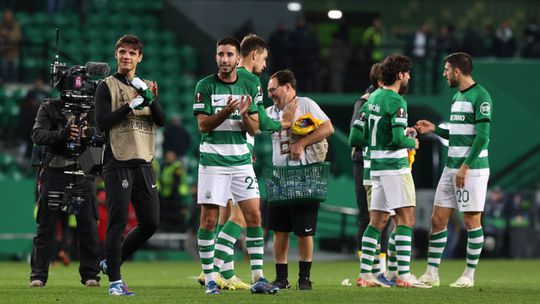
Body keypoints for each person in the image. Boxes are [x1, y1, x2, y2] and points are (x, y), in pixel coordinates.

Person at [207, 33, 296, 291]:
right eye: (264, 58)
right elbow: (258, 122)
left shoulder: (230, 78)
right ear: (255, 54)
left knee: (230, 216)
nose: (265, 65)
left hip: (230, 153)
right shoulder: (250, 79)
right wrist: (284, 123)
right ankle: (215, 269)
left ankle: (224, 273)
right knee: (245, 217)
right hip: (235, 158)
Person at [193, 36, 278, 295]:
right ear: (216, 57)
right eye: (221, 54)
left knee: (254, 216)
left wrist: (244, 113)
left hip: (242, 162)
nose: (225, 59)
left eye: (229, 55)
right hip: (213, 162)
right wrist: (225, 112)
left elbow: (254, 127)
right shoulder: (205, 85)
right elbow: (203, 126)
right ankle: (211, 278)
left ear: (238, 58)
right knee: (208, 221)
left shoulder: (250, 85)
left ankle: (258, 278)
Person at [94, 34, 165, 296]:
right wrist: (129, 105)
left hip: (144, 161)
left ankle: (110, 262)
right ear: (116, 55)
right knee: (117, 221)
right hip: (118, 160)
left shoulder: (147, 85)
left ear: (139, 57)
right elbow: (101, 122)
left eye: (132, 53)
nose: (126, 56)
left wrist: (149, 99)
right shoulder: (106, 86)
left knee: (151, 222)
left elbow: (160, 120)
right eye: (122, 52)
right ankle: (114, 283)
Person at [416, 52, 492, 288]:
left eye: (446, 69)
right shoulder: (456, 97)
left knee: (471, 221)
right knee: (437, 220)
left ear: (457, 71)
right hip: (451, 169)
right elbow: (458, 135)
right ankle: (431, 274)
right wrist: (435, 129)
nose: (444, 74)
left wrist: (466, 166)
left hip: (471, 170)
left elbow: (483, 138)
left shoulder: (481, 96)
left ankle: (468, 275)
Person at [356, 54, 429, 288]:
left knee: (376, 221)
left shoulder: (372, 97)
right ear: (400, 75)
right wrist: (412, 142)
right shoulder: (397, 101)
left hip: (375, 168)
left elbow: (359, 136)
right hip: (394, 167)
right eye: (407, 74)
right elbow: (398, 139)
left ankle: (366, 274)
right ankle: (403, 275)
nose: (408, 78)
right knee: (406, 219)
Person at [265, 69, 334, 290]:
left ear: (287, 86)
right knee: (279, 230)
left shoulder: (306, 104)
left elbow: (328, 127)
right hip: (280, 176)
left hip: (305, 175)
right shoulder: (270, 112)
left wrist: (302, 143)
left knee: (305, 231)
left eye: (273, 89)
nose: (270, 94)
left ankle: (304, 278)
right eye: (268, 91)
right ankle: (282, 278)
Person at [29, 87, 100, 288]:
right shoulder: (50, 106)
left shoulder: (93, 108)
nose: (78, 92)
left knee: (88, 224)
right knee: (46, 225)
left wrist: (90, 133)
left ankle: (90, 275)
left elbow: (104, 133)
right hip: (54, 168)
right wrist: (63, 134)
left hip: (84, 167)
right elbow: (37, 135)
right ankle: (38, 275)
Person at [349, 63, 397, 286]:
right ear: (380, 82)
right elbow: (355, 136)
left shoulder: (375, 101)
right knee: (368, 216)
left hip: (378, 163)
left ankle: (379, 269)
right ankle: (369, 269)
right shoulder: (365, 102)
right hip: (365, 164)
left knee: (383, 218)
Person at [0, 9, 21, 83]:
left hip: (13, 51)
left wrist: (6, 34)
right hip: (3, 52)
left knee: (14, 70)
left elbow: (17, 37)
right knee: (3, 69)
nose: (7, 17)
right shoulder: (1, 25)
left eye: (9, 16)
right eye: (6, 16)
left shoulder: (15, 25)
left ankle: (13, 82)